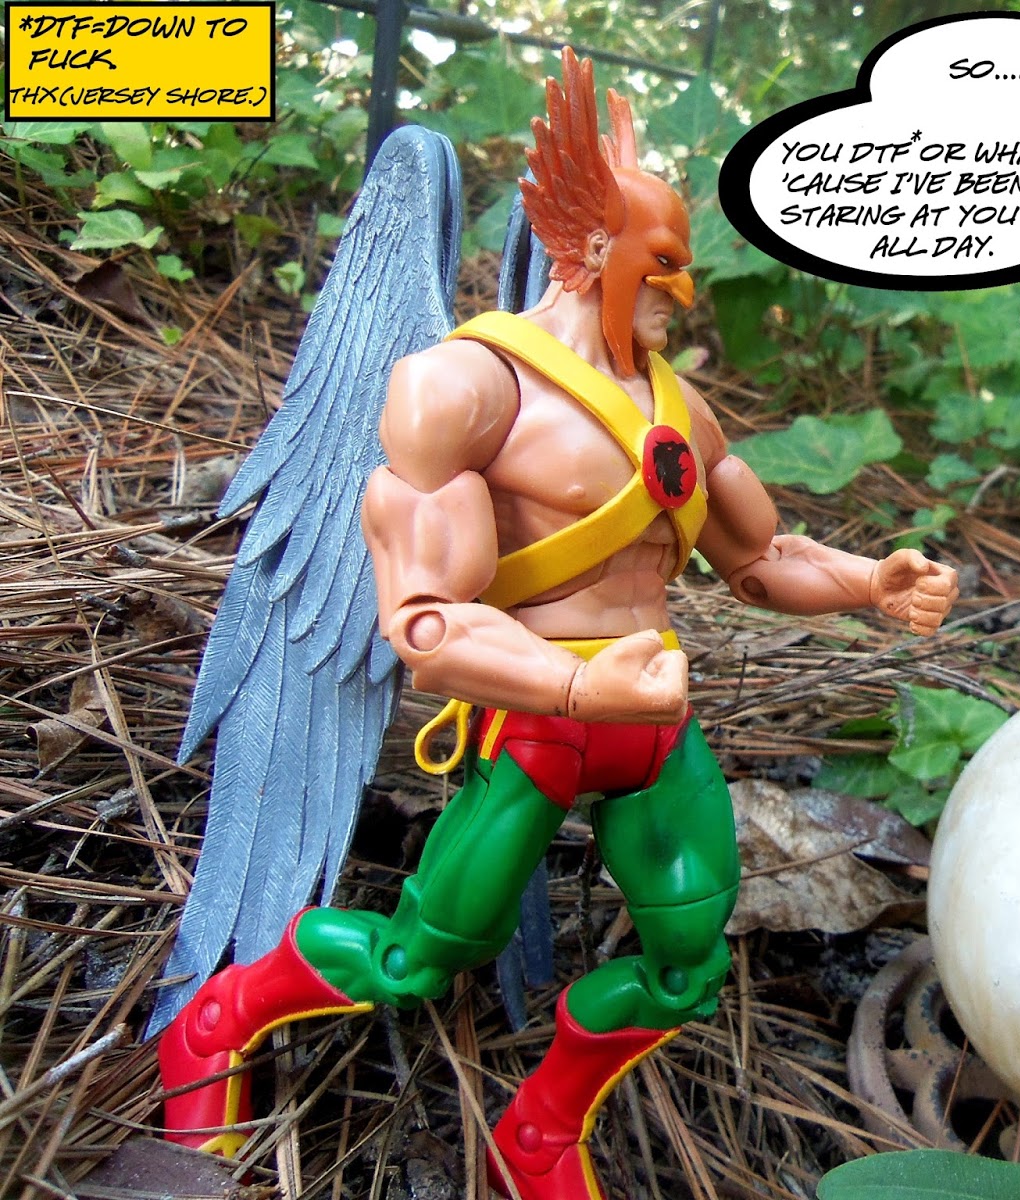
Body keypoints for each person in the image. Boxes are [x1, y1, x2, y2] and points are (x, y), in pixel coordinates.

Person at [157, 48, 958, 1200]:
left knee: (686, 964)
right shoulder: (464, 387)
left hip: (653, 728)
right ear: (592, 252)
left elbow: (761, 558)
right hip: (536, 726)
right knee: (421, 958)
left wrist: (869, 583)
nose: (683, 289)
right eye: (663, 261)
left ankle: (538, 1131)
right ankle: (220, 1017)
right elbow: (426, 623)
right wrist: (577, 687)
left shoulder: (682, 410)